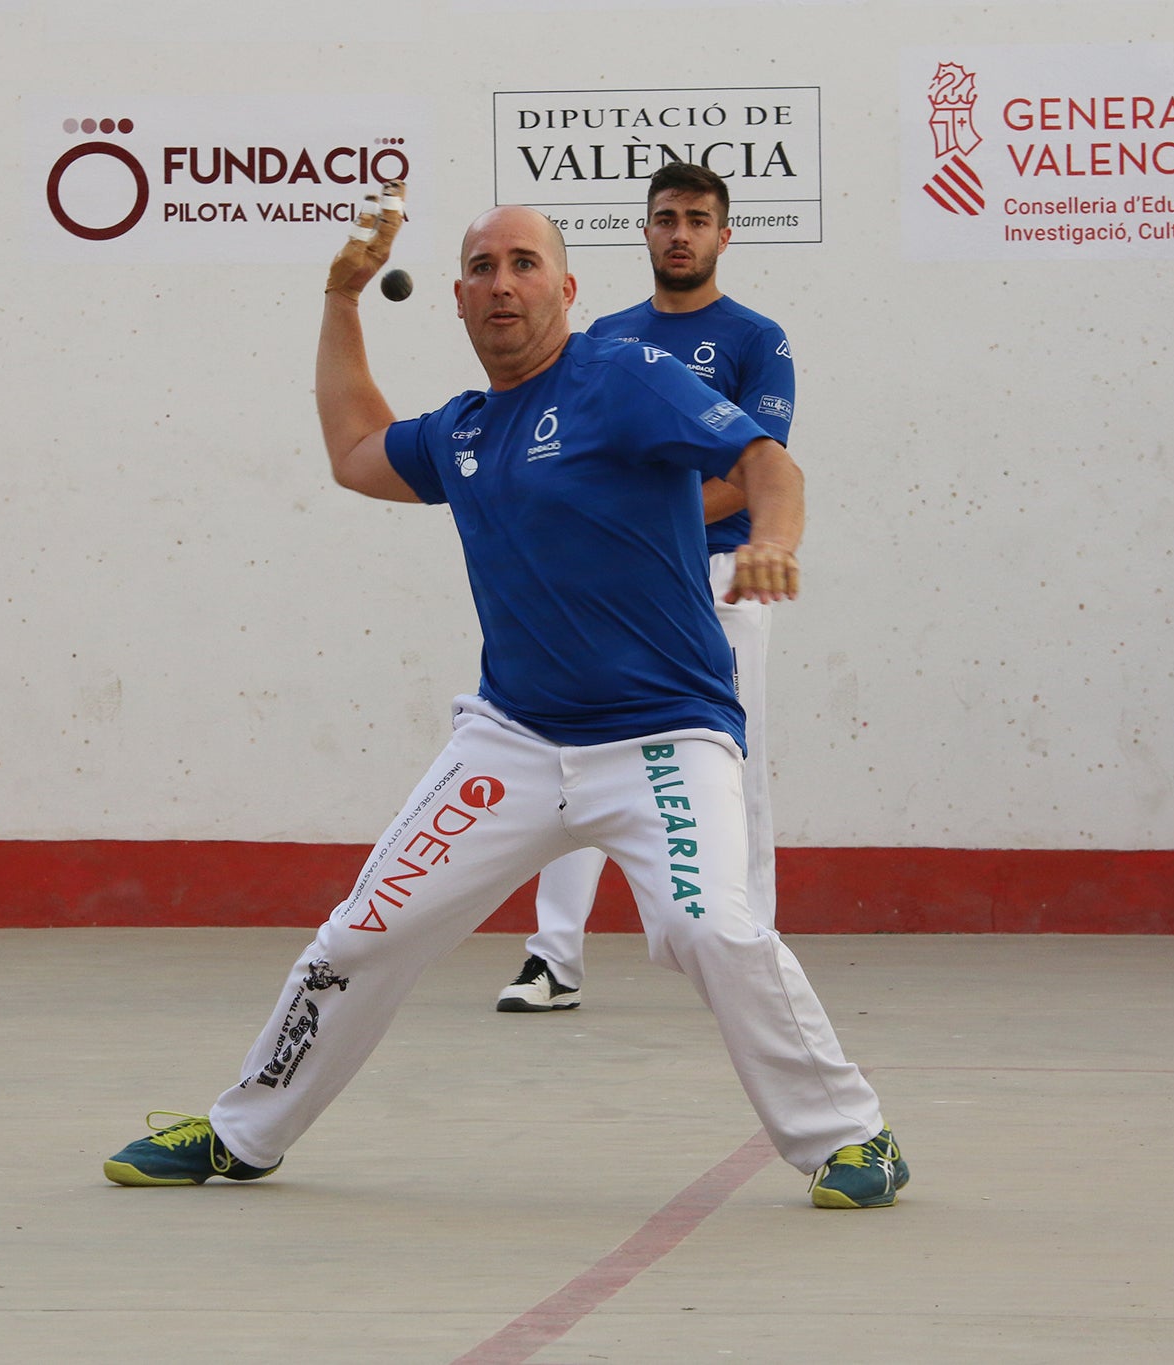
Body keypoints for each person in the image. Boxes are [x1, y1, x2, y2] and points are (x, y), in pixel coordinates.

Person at [102, 182, 905, 1209]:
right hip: (512, 744)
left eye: (524, 263)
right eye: (481, 267)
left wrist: (773, 541)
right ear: (457, 299)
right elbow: (355, 455)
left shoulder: (624, 376)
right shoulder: (466, 432)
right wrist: (340, 301)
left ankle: (853, 1136)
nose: (501, 283)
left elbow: (762, 459)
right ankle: (241, 1132)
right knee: (360, 934)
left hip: (664, 735)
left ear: (566, 288)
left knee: (713, 930)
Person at [497, 162, 795, 1014]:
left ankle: (749, 948)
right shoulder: (601, 341)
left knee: (738, 761)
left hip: (722, 581)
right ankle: (551, 957)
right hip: (611, 585)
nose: (680, 233)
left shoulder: (755, 339)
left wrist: (646, 529)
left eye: (698, 220)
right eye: (665, 217)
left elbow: (753, 469)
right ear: (646, 229)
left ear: (723, 235)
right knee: (575, 751)